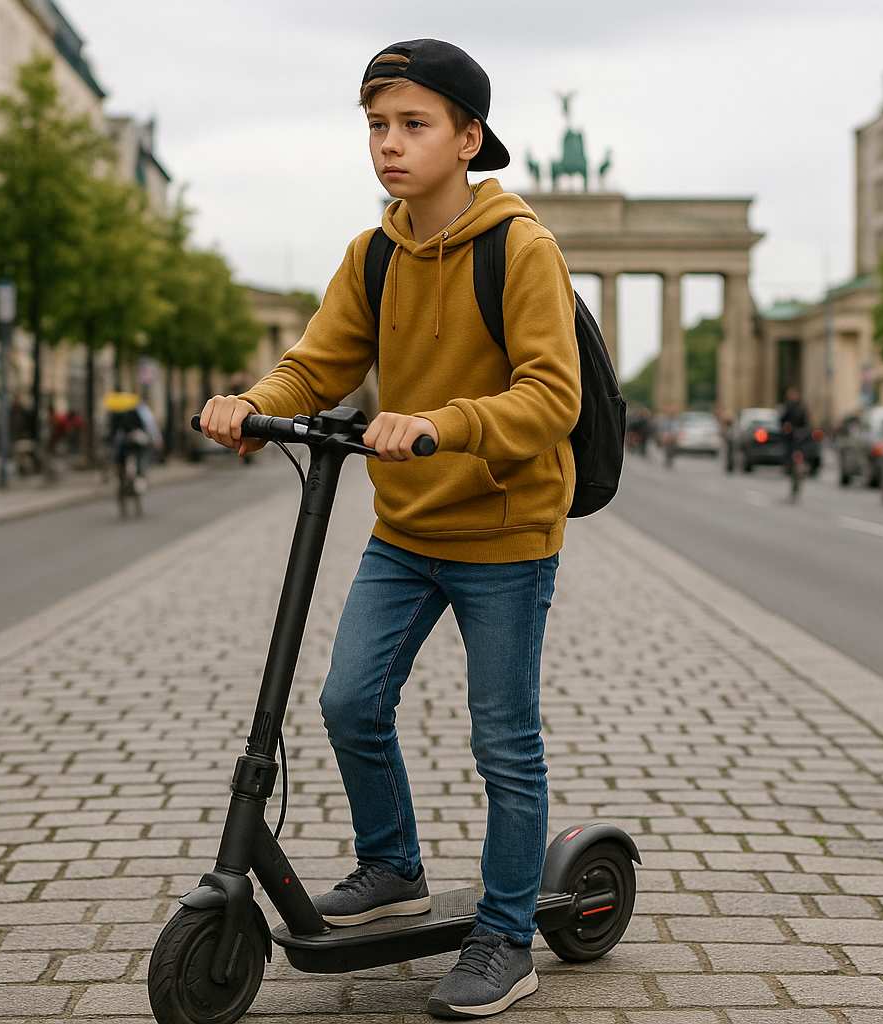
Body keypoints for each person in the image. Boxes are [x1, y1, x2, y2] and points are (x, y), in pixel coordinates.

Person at [198, 39, 579, 1018]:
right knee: (348, 700)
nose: (390, 145)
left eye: (413, 124)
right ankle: (392, 863)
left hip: (502, 532)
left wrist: (442, 421)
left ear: (468, 137)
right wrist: (252, 401)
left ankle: (504, 937)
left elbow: (551, 397)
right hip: (406, 529)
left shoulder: (521, 247)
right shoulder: (374, 253)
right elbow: (317, 365)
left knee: (504, 743)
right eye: (377, 125)